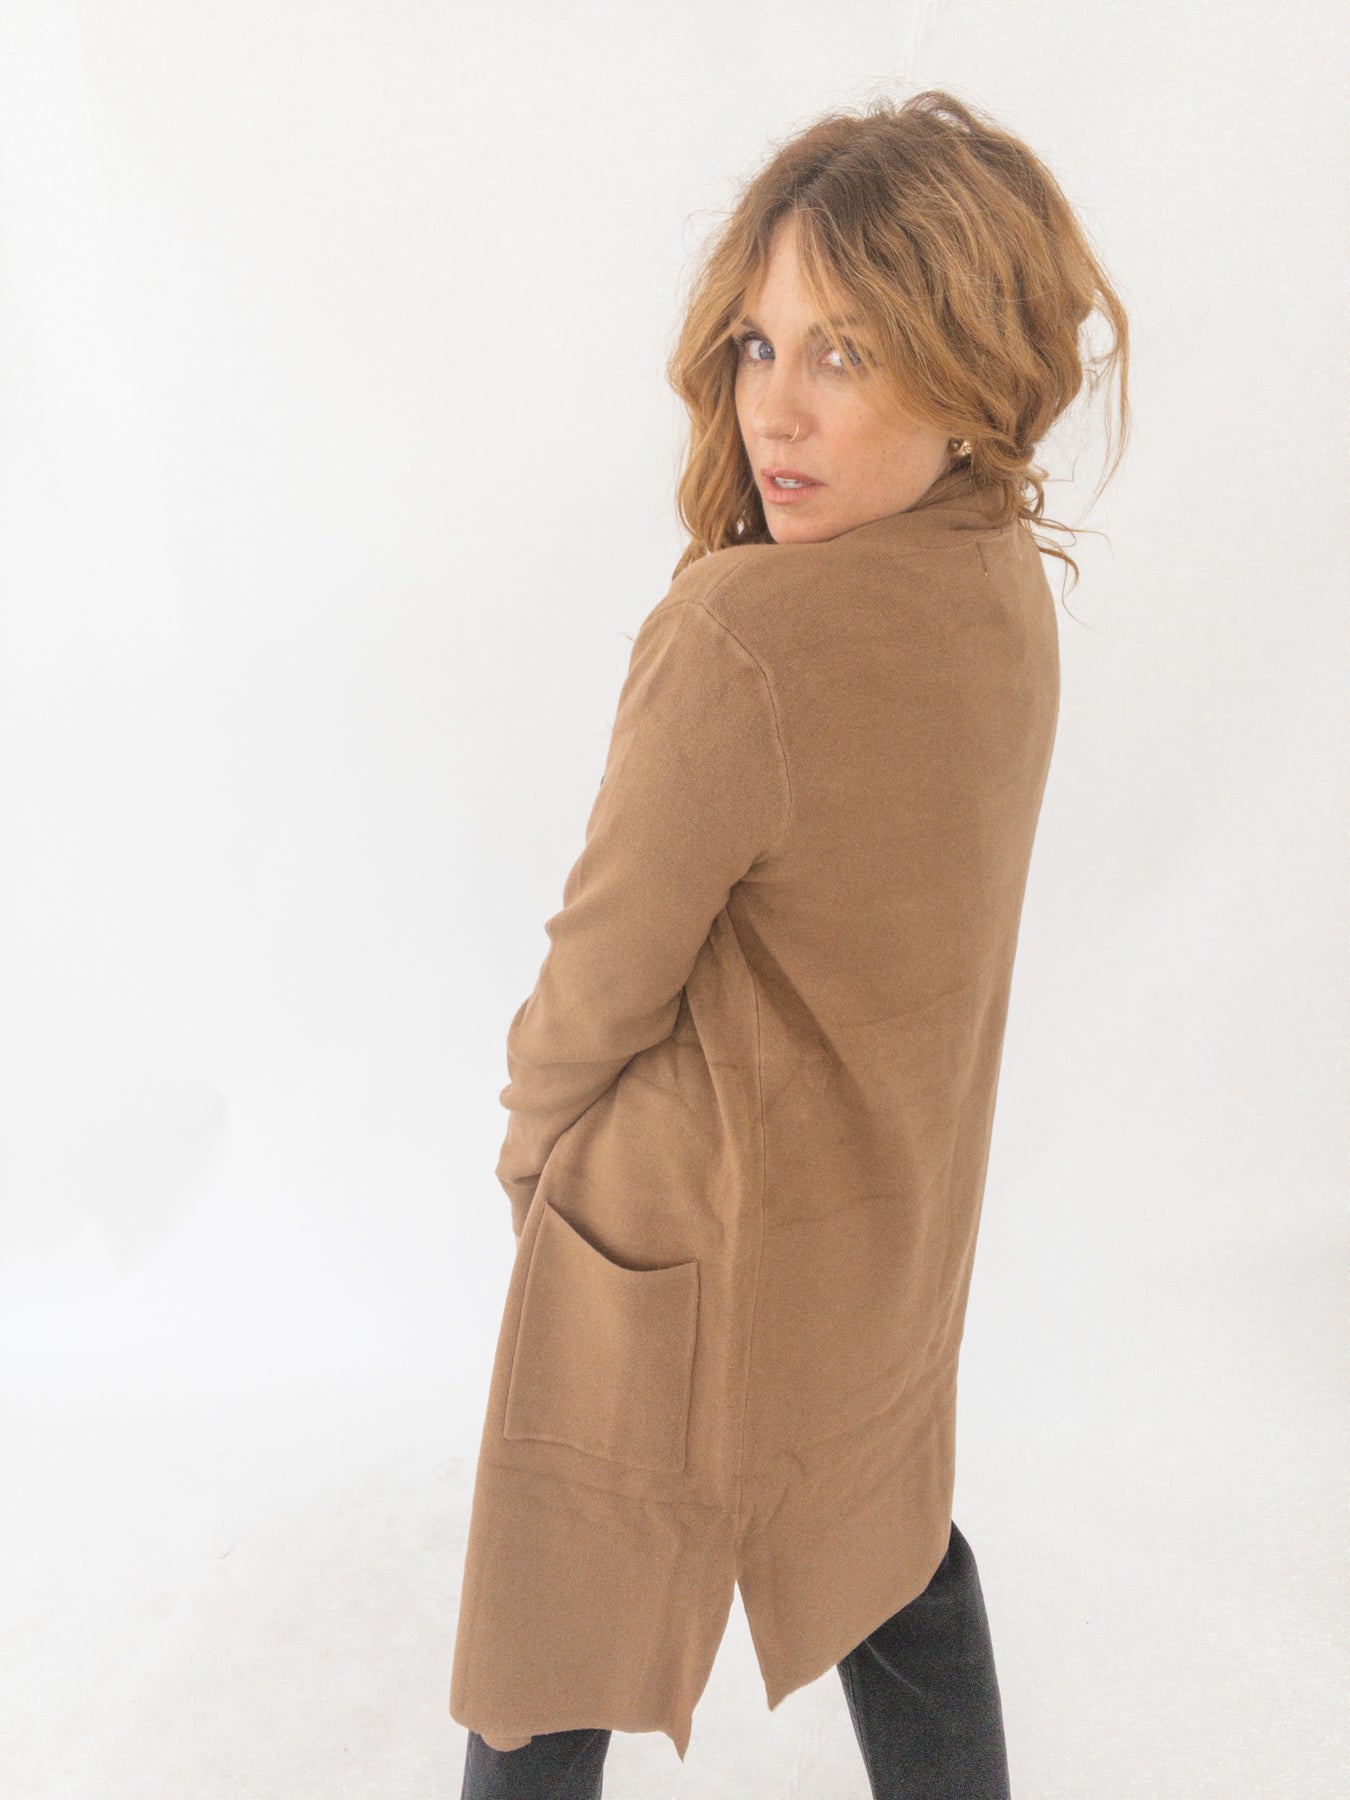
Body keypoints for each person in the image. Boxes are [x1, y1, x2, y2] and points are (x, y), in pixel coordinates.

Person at [450, 87, 1130, 1798]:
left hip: (675, 1239)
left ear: (965, 369)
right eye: (759, 344)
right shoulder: (999, 585)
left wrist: (534, 1154)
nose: (775, 407)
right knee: (892, 1558)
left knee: (553, 1634)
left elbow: (598, 975)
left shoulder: (739, 637)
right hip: (877, 1246)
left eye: (844, 352)